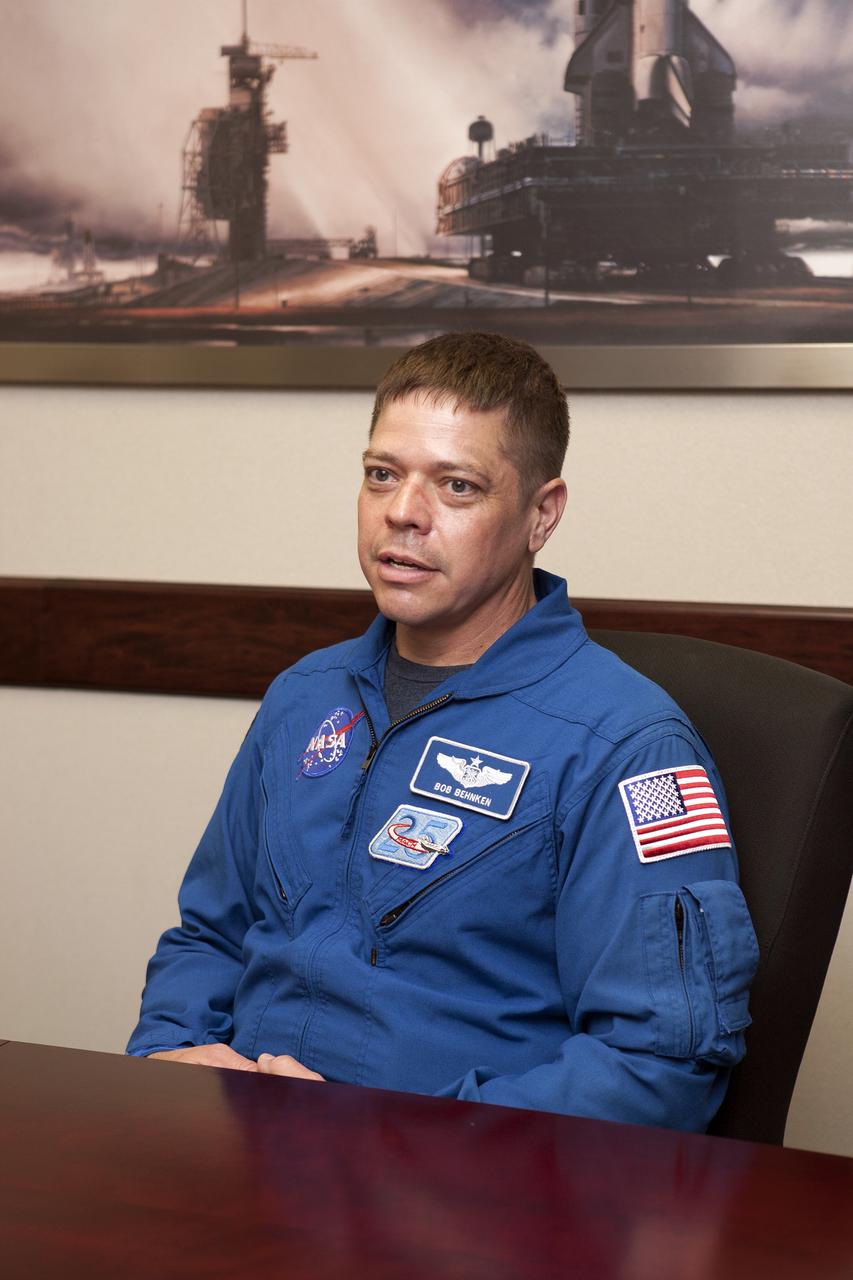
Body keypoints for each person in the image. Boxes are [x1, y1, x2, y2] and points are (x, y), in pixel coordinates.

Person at [127, 331, 758, 1131]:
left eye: (456, 486)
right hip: (246, 1162)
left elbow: (657, 1068)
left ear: (541, 514)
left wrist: (395, 1145)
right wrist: (171, 1055)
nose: (402, 513)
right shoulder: (305, 697)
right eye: (380, 475)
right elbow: (209, 935)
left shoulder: (626, 747)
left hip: (460, 1203)